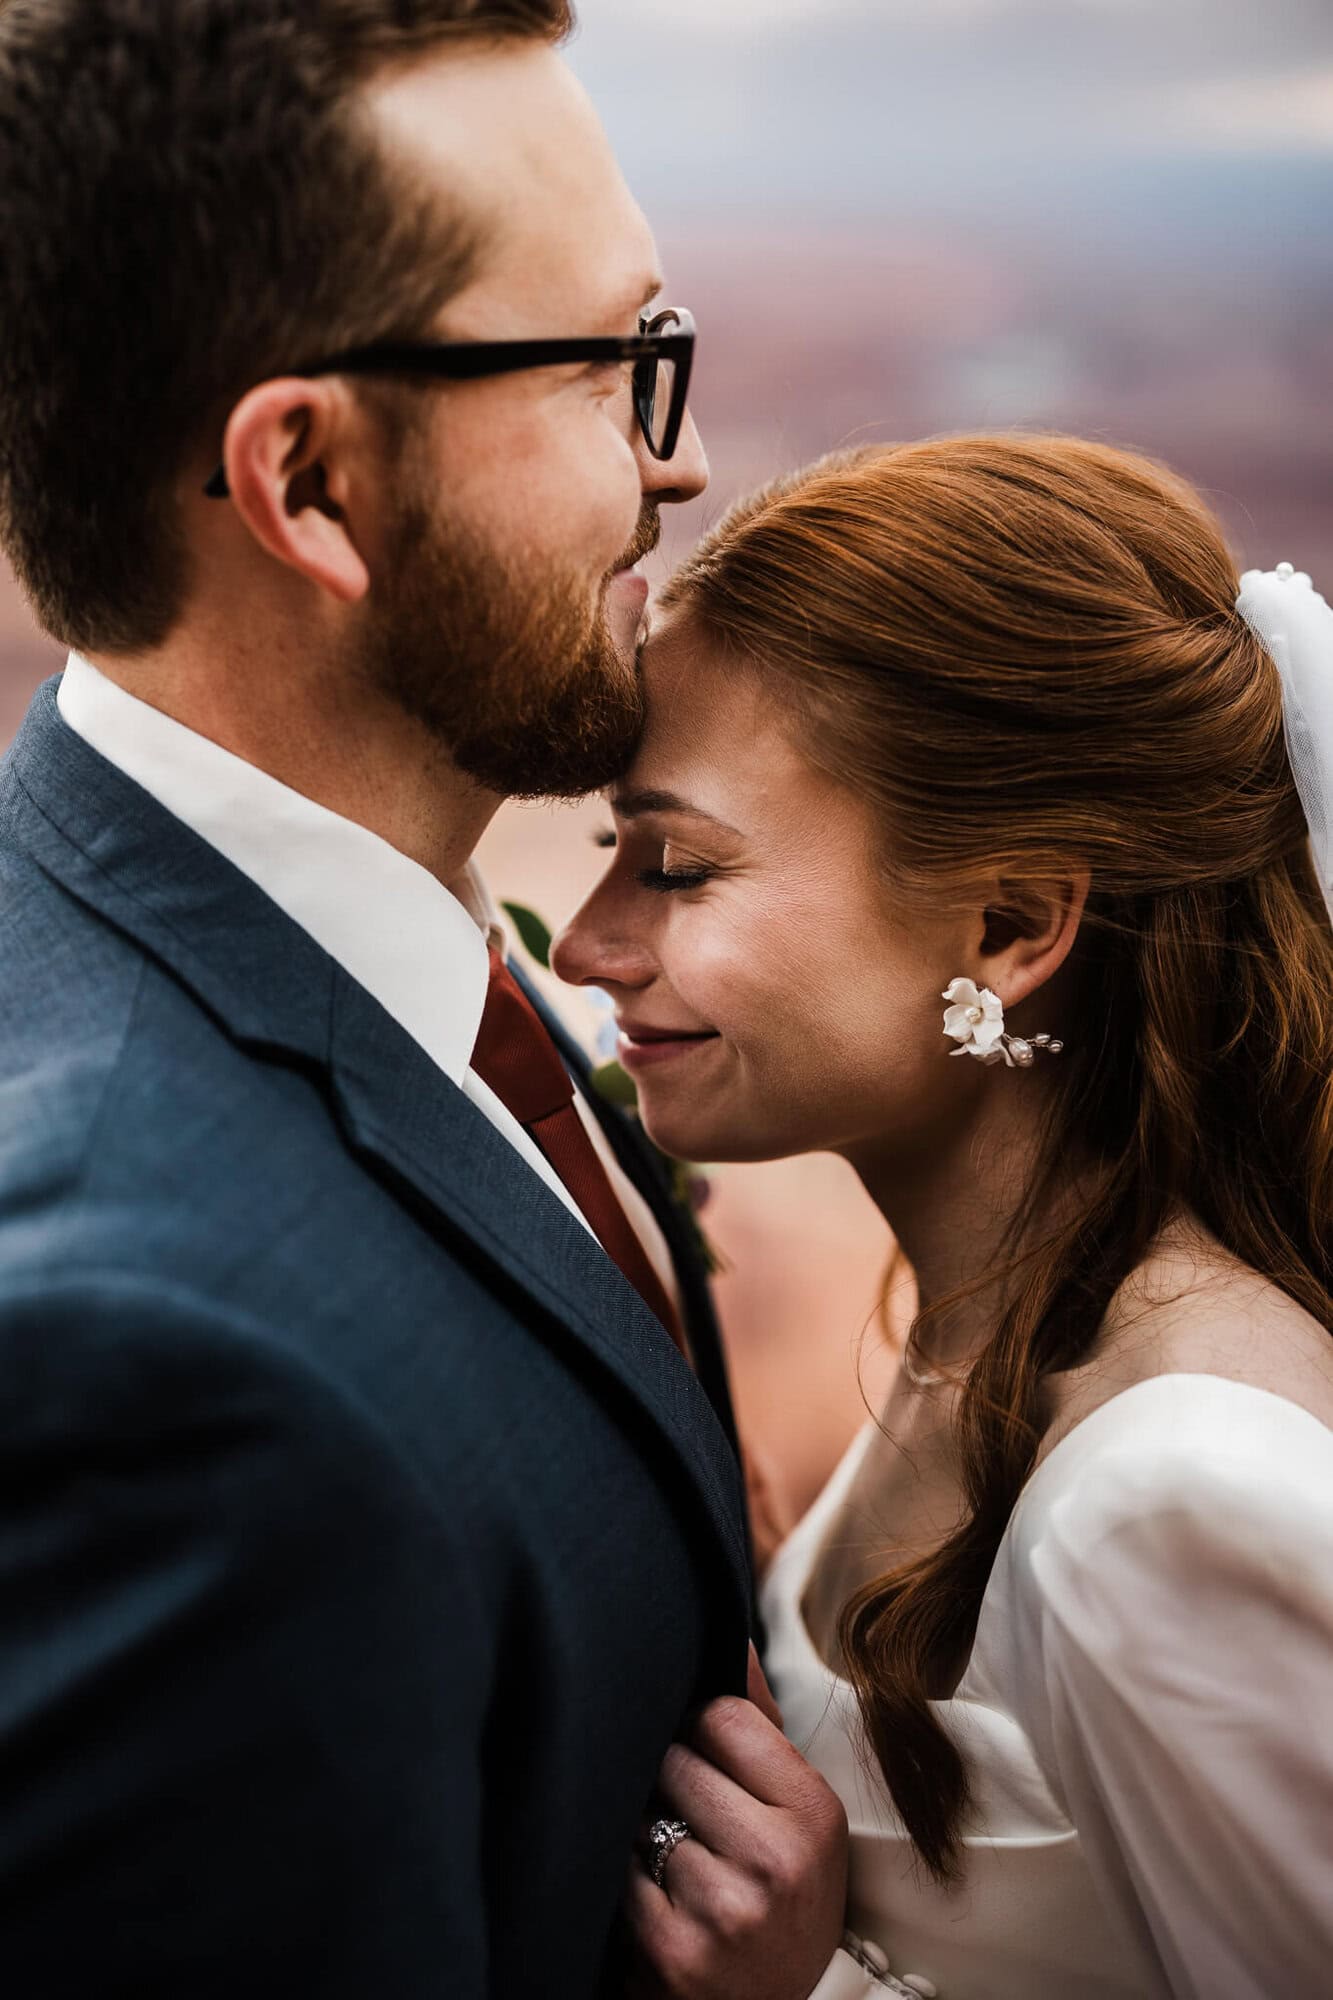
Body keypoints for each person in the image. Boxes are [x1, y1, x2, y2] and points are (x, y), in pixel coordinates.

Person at [0, 4, 808, 1992]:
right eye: (614, 365)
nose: (679, 455)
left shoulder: (354, 948)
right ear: (313, 483)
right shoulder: (153, 1372)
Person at [554, 435, 1333, 1999]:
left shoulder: (1180, 1500)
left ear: (1009, 921)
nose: (584, 946)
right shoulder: (980, 1319)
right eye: (608, 856)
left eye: (678, 866)